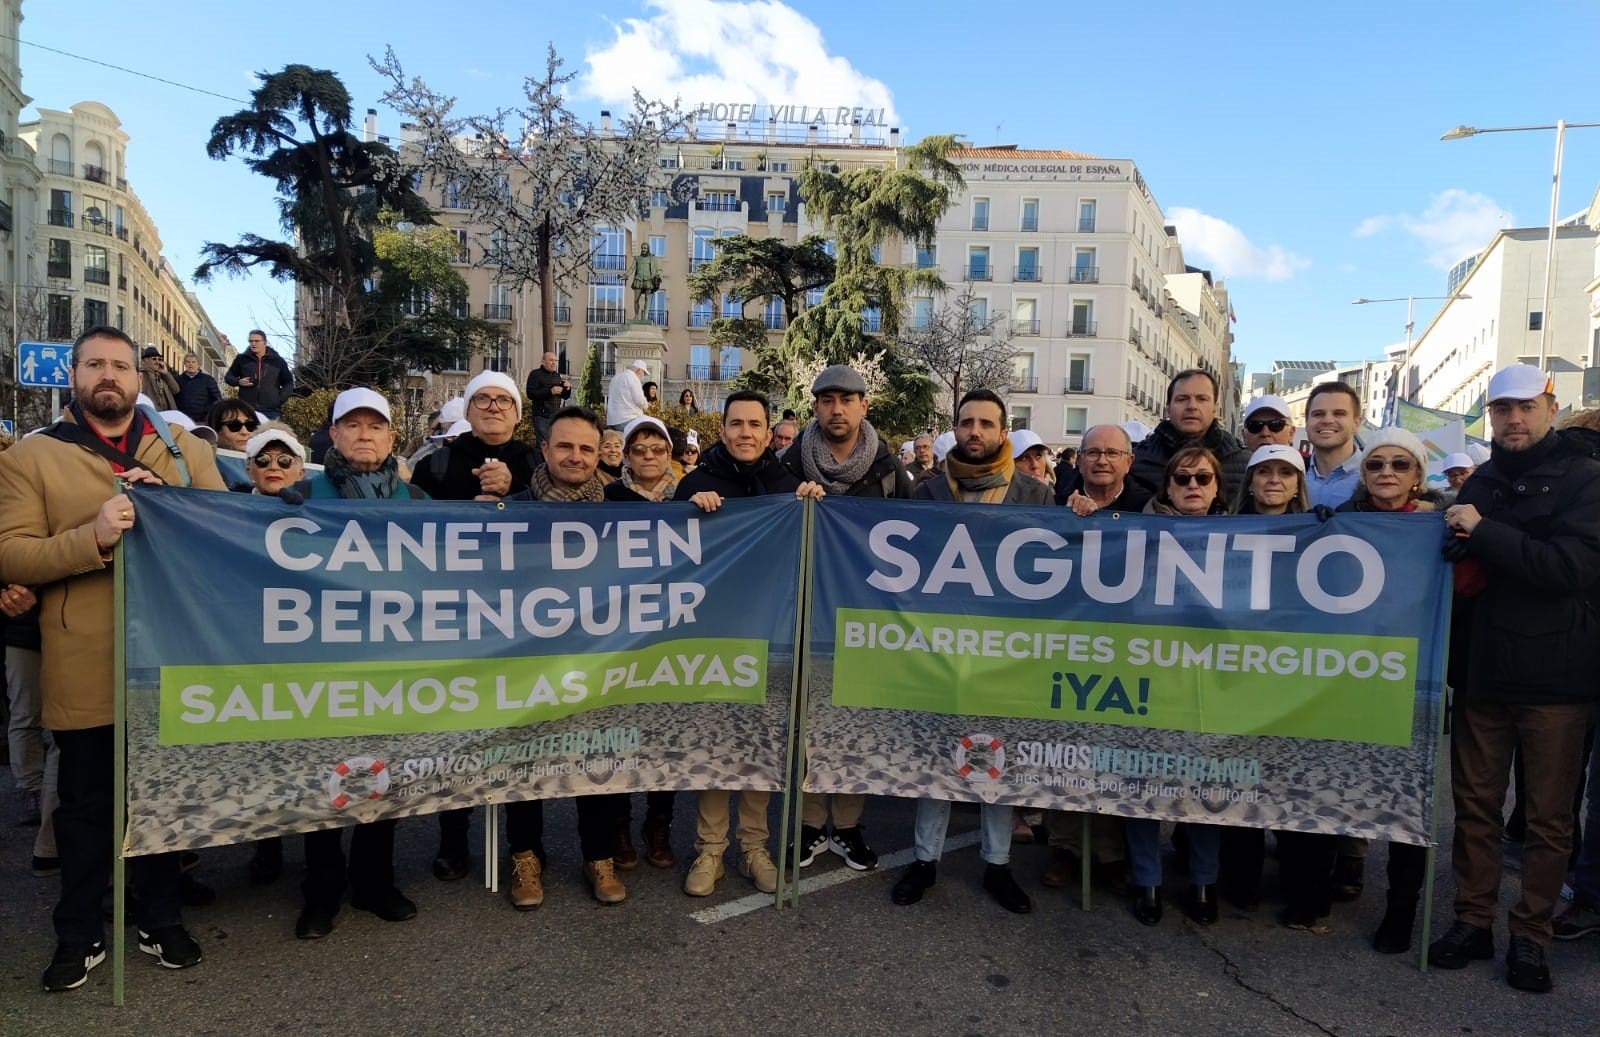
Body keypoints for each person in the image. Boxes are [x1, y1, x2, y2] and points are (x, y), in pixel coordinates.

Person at [0, 325, 226, 991]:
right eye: (94, 364)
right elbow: (11, 552)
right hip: (84, 657)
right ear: (74, 375)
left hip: (170, 654)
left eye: (119, 365)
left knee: (162, 795)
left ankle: (162, 917)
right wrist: (90, 536)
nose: (108, 376)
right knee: (86, 803)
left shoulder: (182, 448)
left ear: (138, 377)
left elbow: (226, 530)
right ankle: (79, 932)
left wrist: (165, 497)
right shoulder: (32, 457)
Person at [1430, 365, 1600, 993]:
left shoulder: (1587, 479)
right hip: (1482, 673)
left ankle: (1531, 935)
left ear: (1551, 407)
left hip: (1556, 679)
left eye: (1525, 407)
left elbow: (1569, 569)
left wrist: (1482, 533)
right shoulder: (1485, 479)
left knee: (1548, 819)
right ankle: (1472, 921)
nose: (1513, 420)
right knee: (1474, 809)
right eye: (1501, 410)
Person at [892, 389, 1046, 915]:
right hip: (940, 647)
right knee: (937, 752)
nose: (974, 431)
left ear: (1003, 431)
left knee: (997, 756)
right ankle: (924, 860)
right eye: (966, 422)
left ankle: (998, 865)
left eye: (985, 423)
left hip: (1007, 649)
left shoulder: (1035, 496)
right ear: (954, 429)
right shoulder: (928, 493)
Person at [674, 390, 821, 897]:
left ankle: (754, 847)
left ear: (767, 432)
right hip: (713, 635)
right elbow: (672, 553)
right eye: (736, 423)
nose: (745, 432)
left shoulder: (789, 485)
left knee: (762, 745)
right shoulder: (695, 483)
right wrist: (688, 511)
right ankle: (709, 850)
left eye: (754, 424)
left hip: (773, 635)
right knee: (715, 744)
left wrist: (815, 510)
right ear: (723, 429)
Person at [293, 388, 428, 940]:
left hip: (393, 661)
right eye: (353, 425)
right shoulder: (303, 495)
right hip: (325, 662)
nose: (365, 435)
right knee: (324, 774)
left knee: (385, 773)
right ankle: (321, 892)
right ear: (334, 434)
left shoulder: (416, 501)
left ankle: (375, 883)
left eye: (376, 426)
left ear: (392, 438)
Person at [498, 406, 633, 909]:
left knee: (594, 757)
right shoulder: (509, 509)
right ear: (545, 450)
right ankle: (526, 858)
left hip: (594, 658)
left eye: (586, 448)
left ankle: (598, 858)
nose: (575, 456)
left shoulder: (620, 508)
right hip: (523, 658)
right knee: (520, 762)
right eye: (565, 446)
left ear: (599, 456)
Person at [779, 364, 911, 872]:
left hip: (866, 620)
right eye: (827, 399)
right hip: (807, 615)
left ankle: (850, 827)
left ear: (864, 406)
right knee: (807, 728)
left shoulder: (890, 470)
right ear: (815, 406)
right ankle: (811, 827)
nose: (837, 409)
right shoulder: (790, 465)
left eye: (847, 399)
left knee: (859, 726)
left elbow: (916, 541)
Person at [409, 372, 538, 882]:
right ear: (469, 405)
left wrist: (516, 493)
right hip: (456, 616)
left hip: (522, 617)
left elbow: (562, 515)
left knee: (523, 735)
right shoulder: (439, 460)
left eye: (503, 400)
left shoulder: (532, 459)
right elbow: (405, 525)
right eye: (482, 398)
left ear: (516, 411)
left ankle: (523, 847)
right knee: (458, 735)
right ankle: (453, 841)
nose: (492, 406)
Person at [1126, 447, 1228, 927]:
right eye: (1182, 478)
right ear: (1166, 486)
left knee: (1205, 785)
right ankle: (1148, 881)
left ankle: (1204, 882)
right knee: (1143, 781)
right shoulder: (1135, 533)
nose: (1192, 485)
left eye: (1202, 478)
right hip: (1149, 675)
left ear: (1216, 486)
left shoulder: (1244, 536)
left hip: (1211, 681)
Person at [603, 415, 685, 871]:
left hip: (671, 634)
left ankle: (659, 825)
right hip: (620, 634)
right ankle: (618, 826)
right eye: (640, 449)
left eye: (657, 449)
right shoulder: (608, 497)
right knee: (619, 735)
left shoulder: (689, 500)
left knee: (664, 736)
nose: (649, 457)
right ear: (627, 455)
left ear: (668, 454)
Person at [1130, 368, 1250, 494]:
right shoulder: (1137, 460)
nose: (1192, 406)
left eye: (1202, 399)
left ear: (1215, 408)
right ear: (1168, 408)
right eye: (1182, 399)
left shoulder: (1244, 463)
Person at [1064, 425, 1152, 515]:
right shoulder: (1056, 504)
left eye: (1112, 453)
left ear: (1129, 462)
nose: (1102, 461)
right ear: (1079, 461)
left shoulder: (1149, 509)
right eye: (1093, 453)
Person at [1304, 382, 1364, 510]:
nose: (1327, 420)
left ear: (1356, 423)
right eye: (1318, 414)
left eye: (1339, 413)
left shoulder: (1377, 476)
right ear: (1306, 422)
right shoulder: (1291, 475)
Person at [223, 329, 294, 420]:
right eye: (251, 341)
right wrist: (238, 381)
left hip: (271, 411)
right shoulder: (242, 359)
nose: (253, 344)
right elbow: (228, 377)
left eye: (256, 341)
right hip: (247, 409)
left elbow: (289, 382)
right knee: (248, 434)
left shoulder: (278, 361)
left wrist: (279, 400)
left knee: (269, 434)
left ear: (264, 342)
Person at [524, 352, 570, 444]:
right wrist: (550, 391)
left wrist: (568, 388)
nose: (554, 363)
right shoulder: (535, 374)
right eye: (551, 360)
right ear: (543, 362)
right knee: (543, 445)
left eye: (555, 361)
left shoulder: (557, 376)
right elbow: (530, 394)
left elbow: (565, 396)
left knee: (554, 444)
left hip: (555, 417)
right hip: (541, 416)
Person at [174, 353, 222, 426]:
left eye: (193, 362)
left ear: (198, 365)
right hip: (182, 420)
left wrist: (207, 413)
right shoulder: (178, 380)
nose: (191, 364)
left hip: (202, 421)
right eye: (188, 362)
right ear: (184, 364)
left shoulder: (208, 380)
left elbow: (217, 399)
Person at [606, 358, 650, 431]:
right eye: (644, 373)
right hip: (629, 418)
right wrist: (646, 405)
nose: (643, 376)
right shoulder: (633, 378)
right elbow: (639, 400)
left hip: (613, 420)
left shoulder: (615, 378)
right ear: (639, 370)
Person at [138, 346, 179, 412]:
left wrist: (166, 374)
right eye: (154, 359)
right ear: (145, 360)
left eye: (159, 359)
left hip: (167, 414)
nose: (157, 362)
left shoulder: (162, 375)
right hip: (151, 413)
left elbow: (176, 390)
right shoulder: (140, 375)